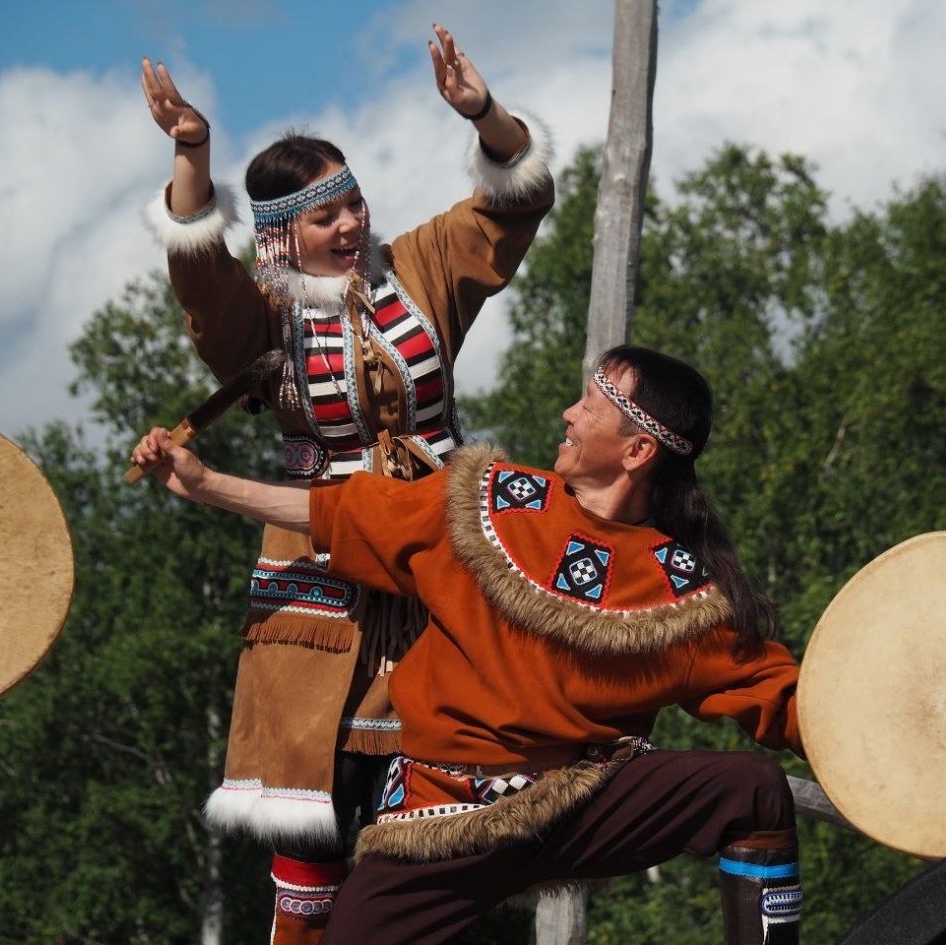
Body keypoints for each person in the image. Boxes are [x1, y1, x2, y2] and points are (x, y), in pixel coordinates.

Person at [132, 345, 804, 945]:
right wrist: (204, 483)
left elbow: (788, 701)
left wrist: (869, 750)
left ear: (637, 451)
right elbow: (336, 513)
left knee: (753, 791)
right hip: (440, 814)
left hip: (578, 803)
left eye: (592, 407)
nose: (569, 414)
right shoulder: (489, 503)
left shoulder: (679, 590)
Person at [138, 25, 554, 944]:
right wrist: (191, 152)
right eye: (328, 217)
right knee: (313, 815)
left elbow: (517, 202)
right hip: (318, 560)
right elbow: (200, 278)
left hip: (441, 551)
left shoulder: (421, 268)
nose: (353, 225)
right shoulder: (262, 320)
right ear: (283, 234)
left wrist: (483, 113)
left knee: (455, 806)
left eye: (355, 202)